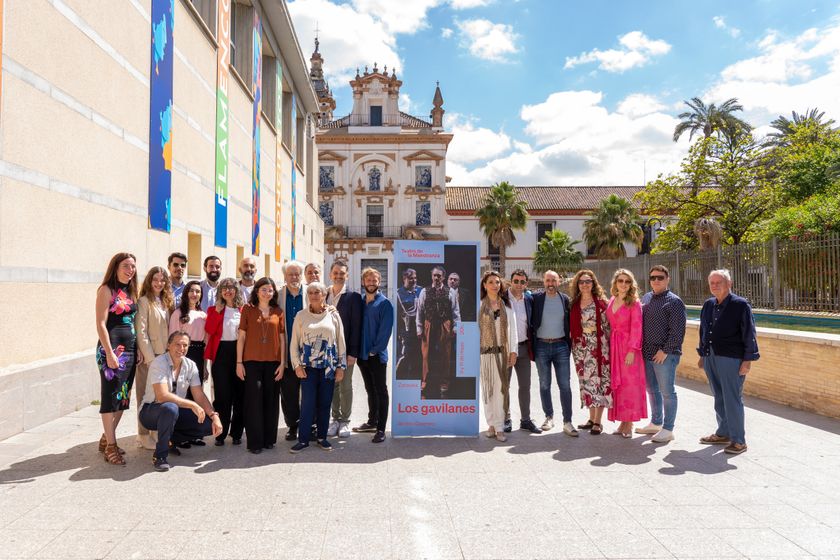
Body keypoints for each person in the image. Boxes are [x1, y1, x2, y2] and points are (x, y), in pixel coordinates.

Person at [138, 332, 223, 471]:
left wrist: (214, 416)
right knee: (170, 408)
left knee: (208, 425)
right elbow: (162, 396)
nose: (181, 348)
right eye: (177, 344)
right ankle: (160, 456)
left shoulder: (191, 365)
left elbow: (199, 395)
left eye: (185, 345)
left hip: (174, 411)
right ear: (168, 346)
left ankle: (171, 439)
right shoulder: (159, 363)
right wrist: (192, 405)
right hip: (150, 411)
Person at [697, 270, 759, 455]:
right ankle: (723, 433)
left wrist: (747, 360)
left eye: (719, 282)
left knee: (732, 398)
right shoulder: (708, 305)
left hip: (731, 358)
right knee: (719, 396)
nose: (715, 285)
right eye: (712, 283)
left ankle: (739, 441)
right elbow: (704, 331)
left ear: (729, 283)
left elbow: (749, 333)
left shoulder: (740, 305)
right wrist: (703, 355)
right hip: (711, 357)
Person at [289, 282, 347, 453]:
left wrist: (340, 366)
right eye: (311, 292)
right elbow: (294, 343)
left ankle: (322, 437)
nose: (314, 295)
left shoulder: (333, 315)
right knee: (307, 403)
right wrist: (296, 365)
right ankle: (303, 439)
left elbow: (340, 342)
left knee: (324, 403)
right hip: (308, 368)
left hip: (328, 368)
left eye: (318, 292)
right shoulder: (301, 316)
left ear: (324, 295)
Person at [95, 252, 139, 465]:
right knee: (110, 397)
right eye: (126, 265)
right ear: (116, 267)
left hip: (130, 351)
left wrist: (137, 348)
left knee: (122, 398)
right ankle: (111, 446)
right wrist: (110, 353)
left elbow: (132, 321)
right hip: (111, 352)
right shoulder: (106, 290)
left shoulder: (131, 290)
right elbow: (101, 324)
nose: (130, 270)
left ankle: (106, 438)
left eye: (133, 266)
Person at [638, 265, 687, 443]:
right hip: (647, 352)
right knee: (651, 390)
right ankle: (656, 422)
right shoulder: (647, 298)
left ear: (668, 279)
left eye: (660, 277)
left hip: (665, 354)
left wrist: (664, 351)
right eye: (653, 278)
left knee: (667, 392)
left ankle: (668, 429)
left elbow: (678, 331)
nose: (656, 281)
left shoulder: (674, 302)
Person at [237, 277, 286, 453]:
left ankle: (268, 439)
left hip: (273, 363)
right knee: (254, 401)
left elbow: (282, 339)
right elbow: (241, 337)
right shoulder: (248, 310)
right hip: (251, 362)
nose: (267, 292)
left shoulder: (278, 311)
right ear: (257, 291)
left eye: (270, 290)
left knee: (271, 400)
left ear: (274, 292)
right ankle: (255, 442)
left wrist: (282, 363)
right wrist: (239, 362)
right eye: (263, 289)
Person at [530, 270, 577, 437]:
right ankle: (548, 417)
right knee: (544, 384)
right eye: (548, 280)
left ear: (559, 281)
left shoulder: (565, 300)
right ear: (544, 282)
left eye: (554, 280)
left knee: (565, 385)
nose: (550, 283)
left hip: (561, 346)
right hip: (541, 346)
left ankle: (568, 421)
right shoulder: (535, 299)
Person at [353, 268, 394, 443]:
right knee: (370, 390)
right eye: (368, 280)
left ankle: (381, 429)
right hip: (362, 356)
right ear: (363, 282)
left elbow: (385, 332)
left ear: (379, 282)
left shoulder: (385, 304)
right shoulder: (360, 302)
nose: (371, 282)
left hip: (376, 355)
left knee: (380, 391)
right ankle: (372, 421)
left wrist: (374, 350)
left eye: (374, 280)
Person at [135, 266, 174, 449]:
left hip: (164, 355)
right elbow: (141, 331)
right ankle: (143, 434)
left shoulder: (165, 301)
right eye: (155, 279)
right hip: (149, 357)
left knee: (159, 396)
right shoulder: (144, 301)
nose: (159, 283)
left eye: (162, 280)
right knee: (144, 395)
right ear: (149, 281)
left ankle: (155, 431)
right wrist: (150, 359)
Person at [569, 269, 612, 435]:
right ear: (577, 285)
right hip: (580, 348)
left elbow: (608, 327)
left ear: (593, 284)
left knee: (599, 382)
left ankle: (598, 422)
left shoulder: (601, 303)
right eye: (581, 282)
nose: (585, 284)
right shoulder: (574, 303)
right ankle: (591, 418)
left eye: (588, 281)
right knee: (586, 383)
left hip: (598, 348)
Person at [606, 269, 647, 438]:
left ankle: (629, 424)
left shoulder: (634, 303)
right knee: (620, 385)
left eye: (627, 281)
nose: (623, 284)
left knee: (630, 386)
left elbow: (637, 328)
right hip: (614, 348)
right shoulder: (612, 300)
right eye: (620, 281)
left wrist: (632, 350)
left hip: (629, 349)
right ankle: (623, 421)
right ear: (615, 283)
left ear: (631, 284)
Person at [204, 277, 245, 446]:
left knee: (240, 395)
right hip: (221, 355)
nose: (228, 291)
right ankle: (220, 433)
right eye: (224, 288)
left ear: (236, 290)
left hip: (239, 354)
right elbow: (210, 330)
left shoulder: (243, 309)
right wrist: (218, 312)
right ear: (220, 291)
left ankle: (236, 433)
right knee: (222, 396)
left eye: (231, 287)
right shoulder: (214, 309)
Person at [478, 271, 518, 442]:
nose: (495, 285)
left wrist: (513, 351)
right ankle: (491, 424)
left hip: (502, 354)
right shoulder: (479, 306)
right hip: (485, 354)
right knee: (488, 390)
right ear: (485, 285)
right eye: (491, 282)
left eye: (497, 282)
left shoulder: (507, 308)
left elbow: (514, 332)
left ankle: (500, 427)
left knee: (502, 390)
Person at [325, 261, 362, 439]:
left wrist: (353, 353)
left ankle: (345, 421)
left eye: (342, 273)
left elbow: (356, 326)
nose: (338, 276)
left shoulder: (353, 297)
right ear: (330, 274)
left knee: (345, 385)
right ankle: (335, 419)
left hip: (346, 349)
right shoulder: (324, 294)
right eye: (336, 273)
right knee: (332, 384)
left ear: (346, 276)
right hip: (327, 350)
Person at [416, 265, 460, 398]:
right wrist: (419, 328)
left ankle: (444, 382)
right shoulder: (424, 291)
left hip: (444, 324)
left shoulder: (450, 292)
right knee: (425, 354)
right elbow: (419, 311)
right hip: (428, 323)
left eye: (439, 276)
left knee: (445, 355)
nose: (436, 278)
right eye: (434, 275)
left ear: (443, 277)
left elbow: (455, 311)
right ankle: (425, 381)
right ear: (432, 276)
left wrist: (455, 326)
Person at [507, 269, 541, 433]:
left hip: (524, 347)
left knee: (525, 386)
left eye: (522, 282)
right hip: (506, 349)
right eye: (516, 281)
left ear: (526, 284)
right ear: (510, 281)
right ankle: (505, 419)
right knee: (504, 386)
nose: (519, 285)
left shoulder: (529, 299)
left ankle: (525, 420)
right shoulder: (502, 298)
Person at [277, 260, 308, 441]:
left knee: (308, 392)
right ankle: (292, 425)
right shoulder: (278, 295)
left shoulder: (311, 293)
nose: (294, 277)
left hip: (308, 353)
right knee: (288, 393)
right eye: (291, 274)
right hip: (286, 352)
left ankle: (308, 424)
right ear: (285, 276)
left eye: (297, 274)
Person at [169, 280, 207, 381]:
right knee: (183, 388)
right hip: (183, 352)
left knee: (197, 387)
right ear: (186, 293)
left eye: (198, 291)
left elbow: (205, 342)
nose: (194, 294)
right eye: (191, 291)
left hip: (199, 354)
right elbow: (172, 339)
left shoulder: (203, 315)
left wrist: (205, 366)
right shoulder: (178, 313)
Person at [396, 268, 423, 380]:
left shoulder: (421, 291)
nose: (413, 280)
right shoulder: (398, 293)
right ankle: (402, 381)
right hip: (406, 331)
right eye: (410, 278)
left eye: (415, 278)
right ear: (404, 278)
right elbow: (397, 315)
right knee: (405, 357)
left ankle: (416, 381)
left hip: (420, 330)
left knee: (419, 357)